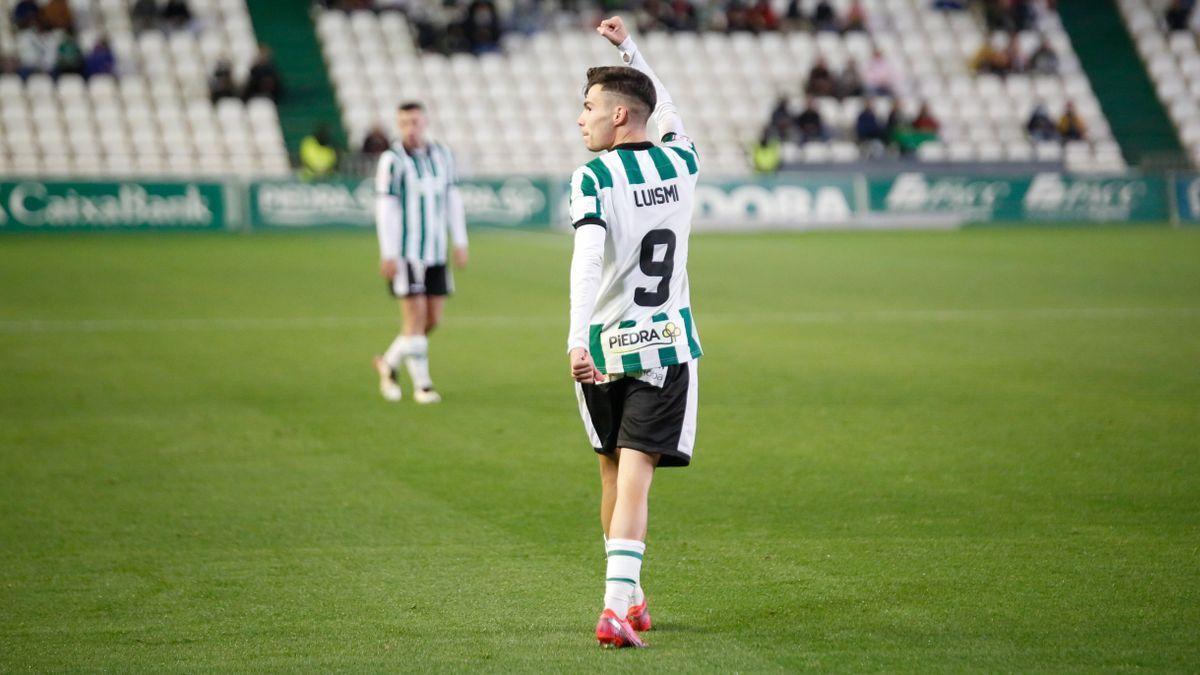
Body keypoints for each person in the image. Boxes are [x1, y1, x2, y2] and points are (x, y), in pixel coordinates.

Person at [569, 16, 703, 649]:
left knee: (611, 476)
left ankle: (632, 598)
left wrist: (575, 338)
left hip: (598, 350)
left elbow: (586, 261)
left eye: (591, 107)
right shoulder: (684, 161)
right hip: (660, 347)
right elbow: (665, 104)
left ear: (621, 117)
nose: (581, 119)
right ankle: (614, 608)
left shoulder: (591, 178)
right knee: (635, 476)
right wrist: (629, 49)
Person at [373, 102, 469, 405]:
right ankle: (423, 385)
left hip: (436, 250)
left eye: (415, 122)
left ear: (425, 122)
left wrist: (460, 240)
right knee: (414, 320)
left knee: (432, 320)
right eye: (404, 123)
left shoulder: (442, 155)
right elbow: (385, 209)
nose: (410, 128)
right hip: (407, 253)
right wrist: (388, 253)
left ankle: (389, 363)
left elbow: (452, 198)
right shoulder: (392, 160)